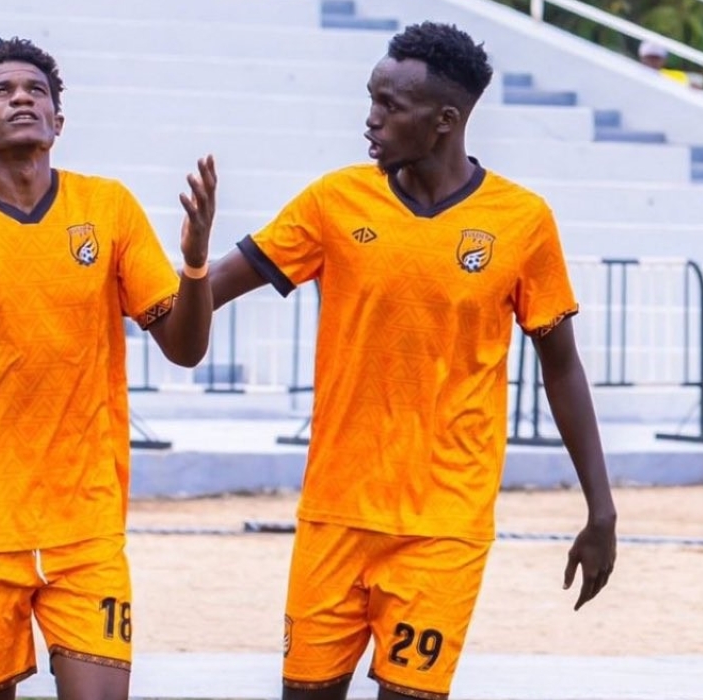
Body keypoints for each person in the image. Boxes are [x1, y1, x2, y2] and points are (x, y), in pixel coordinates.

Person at [207, 22, 617, 700]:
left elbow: (562, 366)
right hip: (335, 515)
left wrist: (601, 510)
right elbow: (204, 291)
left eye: (389, 105)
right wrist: (174, 273)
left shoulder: (522, 220)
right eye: (371, 98)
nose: (370, 119)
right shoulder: (334, 201)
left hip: (444, 524)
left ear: (444, 121)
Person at [0, 37, 216, 700]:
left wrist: (196, 263)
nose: (22, 99)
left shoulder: (108, 207)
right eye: (2, 91)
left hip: (84, 521)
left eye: (36, 90)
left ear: (58, 122)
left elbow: (184, 348)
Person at [637, 39, 702, 88]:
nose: (652, 61)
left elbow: (693, 84)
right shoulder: (631, 72)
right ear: (642, 57)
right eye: (650, 57)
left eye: (657, 58)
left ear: (664, 60)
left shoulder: (676, 76)